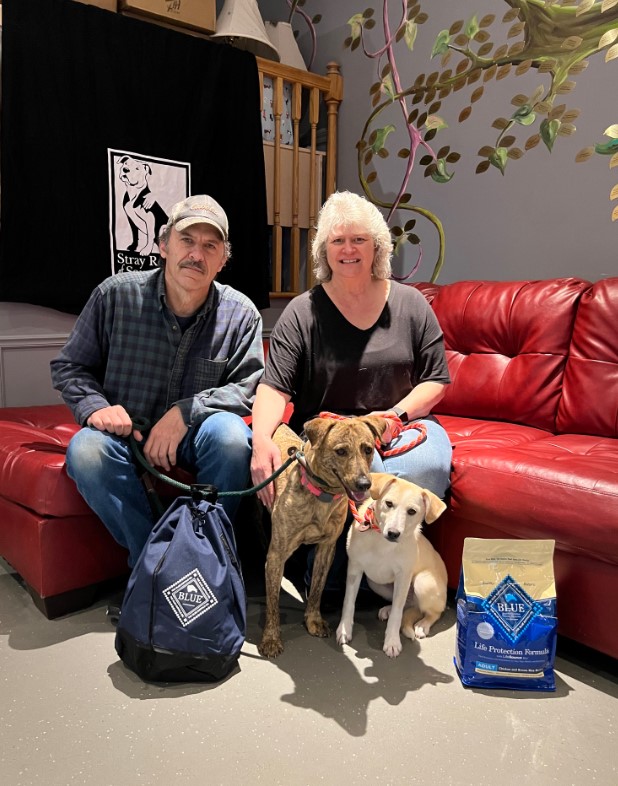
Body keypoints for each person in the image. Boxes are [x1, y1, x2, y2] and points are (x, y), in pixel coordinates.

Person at [250, 190, 452, 598]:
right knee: (351, 470)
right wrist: (259, 442)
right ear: (325, 250)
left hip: (398, 422)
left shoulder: (412, 304)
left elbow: (436, 381)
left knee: (424, 473)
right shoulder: (302, 312)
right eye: (337, 241)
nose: (348, 249)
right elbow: (273, 387)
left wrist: (394, 416)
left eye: (358, 239)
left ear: (377, 246)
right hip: (332, 434)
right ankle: (329, 581)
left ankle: (383, 576)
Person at [51, 194, 264, 570]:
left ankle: (203, 555)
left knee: (232, 438)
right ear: (163, 245)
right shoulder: (114, 295)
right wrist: (97, 407)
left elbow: (246, 387)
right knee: (86, 450)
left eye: (210, 245)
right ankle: (156, 562)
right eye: (187, 240)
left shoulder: (242, 314)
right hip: (124, 438)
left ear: (223, 260)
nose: (196, 254)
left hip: (197, 438)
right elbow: (70, 367)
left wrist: (186, 412)